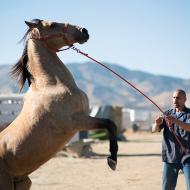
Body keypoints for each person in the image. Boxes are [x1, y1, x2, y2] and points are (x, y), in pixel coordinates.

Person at [152, 89, 190, 190]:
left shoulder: (189, 114)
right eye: (174, 97)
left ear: (185, 99)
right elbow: (154, 130)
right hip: (170, 158)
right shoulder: (167, 113)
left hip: (187, 158)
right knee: (167, 188)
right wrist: (157, 124)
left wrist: (175, 121)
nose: (175, 100)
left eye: (178, 98)